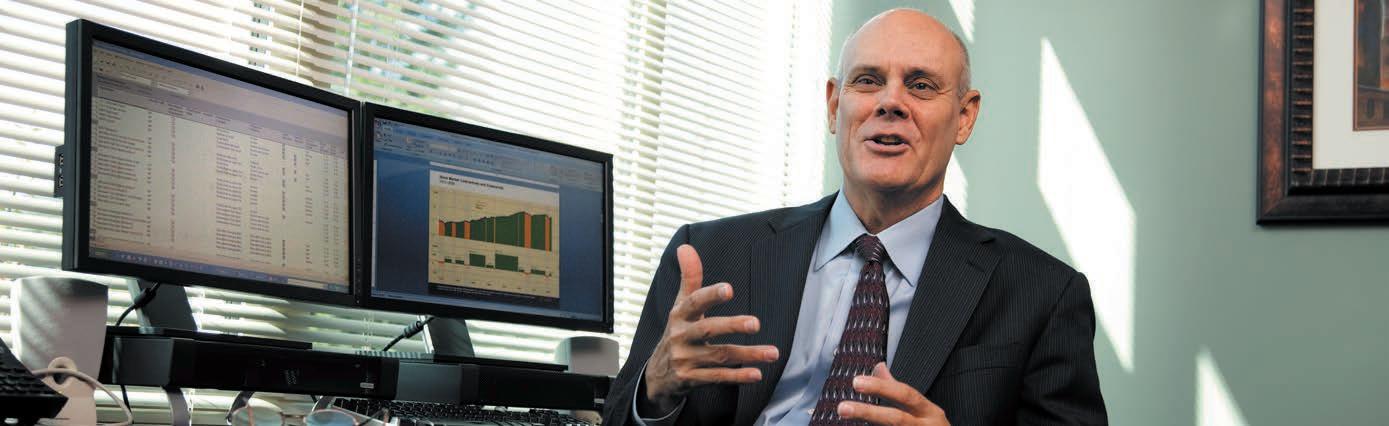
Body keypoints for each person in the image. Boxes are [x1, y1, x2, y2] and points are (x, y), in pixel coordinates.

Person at [603, 8, 1107, 426]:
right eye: (868, 81)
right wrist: (654, 390)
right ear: (833, 105)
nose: (891, 103)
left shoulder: (1042, 293)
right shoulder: (710, 255)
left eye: (921, 85)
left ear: (964, 116)